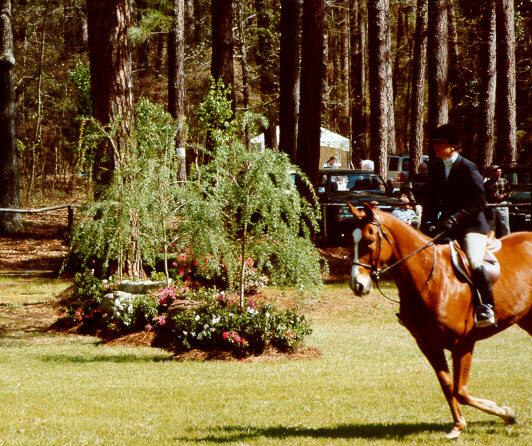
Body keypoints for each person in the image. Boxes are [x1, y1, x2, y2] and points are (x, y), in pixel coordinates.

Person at [424, 123, 496, 328]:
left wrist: (456, 218)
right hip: (447, 225)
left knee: (474, 260)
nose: (436, 147)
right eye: (435, 144)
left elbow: (479, 201)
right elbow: (430, 199)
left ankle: (486, 306)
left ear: (453, 146)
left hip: (472, 226)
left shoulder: (468, 167)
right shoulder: (436, 168)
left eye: (440, 144)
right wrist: (428, 221)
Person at [485, 165, 511, 237]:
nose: (499, 173)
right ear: (493, 173)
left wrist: (504, 195)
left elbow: (510, 192)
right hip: (492, 205)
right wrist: (491, 196)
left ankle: (507, 240)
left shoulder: (504, 181)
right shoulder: (487, 183)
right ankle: (492, 242)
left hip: (502, 204)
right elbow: (484, 195)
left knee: (505, 225)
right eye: (497, 172)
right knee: (491, 226)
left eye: (500, 172)